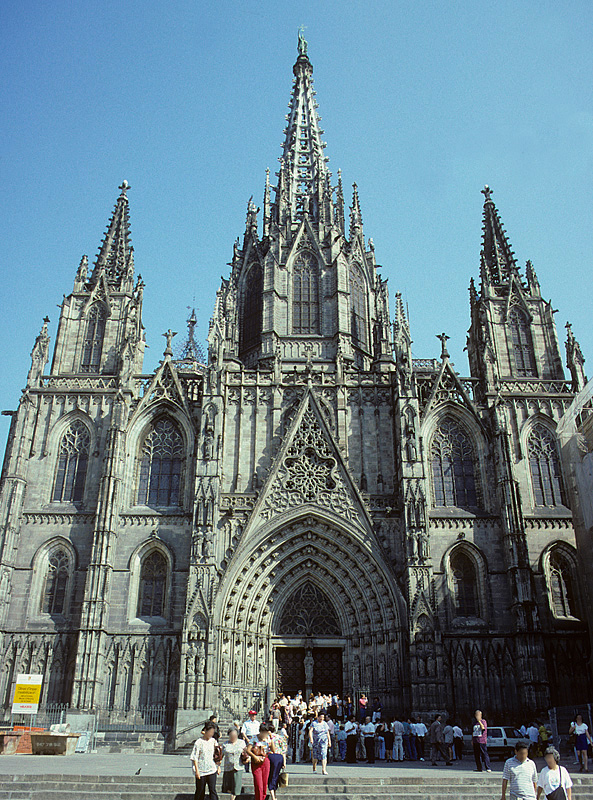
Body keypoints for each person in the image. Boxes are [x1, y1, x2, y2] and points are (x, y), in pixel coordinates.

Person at [190, 721, 221, 800]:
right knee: (200, 791)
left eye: (212, 732)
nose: (211, 734)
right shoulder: (199, 742)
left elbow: (217, 755)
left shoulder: (213, 741)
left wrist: (218, 766)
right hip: (201, 770)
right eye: (210, 732)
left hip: (211, 769)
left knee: (212, 790)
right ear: (205, 731)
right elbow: (194, 757)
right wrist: (197, 771)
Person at [245, 723, 276, 800]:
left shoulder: (268, 739)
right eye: (263, 732)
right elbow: (248, 750)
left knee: (264, 784)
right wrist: (254, 757)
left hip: (265, 762)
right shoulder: (254, 738)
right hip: (256, 763)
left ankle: (263, 798)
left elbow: (273, 750)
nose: (264, 734)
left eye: (266, 732)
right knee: (259, 785)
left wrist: (271, 738)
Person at [221, 727, 246, 800]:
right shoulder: (225, 744)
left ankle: (233, 798)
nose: (233, 737)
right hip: (228, 767)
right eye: (231, 735)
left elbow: (246, 753)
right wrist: (218, 766)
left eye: (235, 735)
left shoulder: (241, 742)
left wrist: (247, 759)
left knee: (236, 788)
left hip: (238, 767)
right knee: (228, 788)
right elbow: (220, 756)